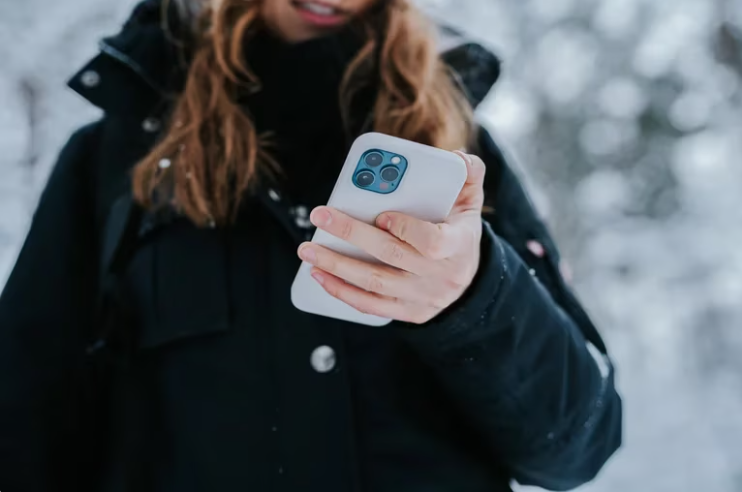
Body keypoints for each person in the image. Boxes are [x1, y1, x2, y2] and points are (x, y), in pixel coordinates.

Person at [0, 0, 622, 491]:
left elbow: (577, 447)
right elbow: (25, 425)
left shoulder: (459, 155)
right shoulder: (113, 157)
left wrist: (474, 298)